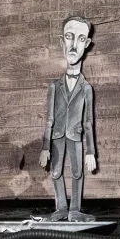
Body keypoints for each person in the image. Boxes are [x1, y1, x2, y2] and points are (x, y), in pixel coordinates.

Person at [39, 15, 97, 222]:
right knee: (55, 172)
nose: (73, 46)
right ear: (62, 41)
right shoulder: (54, 87)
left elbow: (88, 122)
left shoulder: (86, 88)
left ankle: (75, 210)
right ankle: (60, 208)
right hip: (56, 136)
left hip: (76, 136)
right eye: (69, 37)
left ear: (87, 44)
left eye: (80, 39)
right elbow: (49, 118)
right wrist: (45, 147)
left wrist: (91, 151)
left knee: (77, 172)